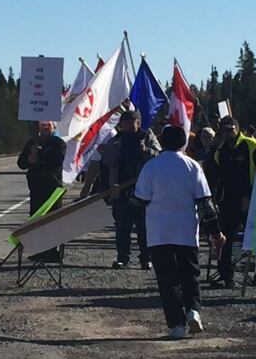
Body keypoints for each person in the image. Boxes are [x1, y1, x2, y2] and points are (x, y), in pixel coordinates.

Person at [134, 124, 225, 340]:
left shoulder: (151, 167)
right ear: (183, 142)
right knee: (190, 274)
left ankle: (176, 325)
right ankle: (193, 309)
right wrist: (215, 232)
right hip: (186, 230)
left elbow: (141, 199)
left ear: (162, 142)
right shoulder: (193, 166)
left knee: (167, 279)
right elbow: (205, 204)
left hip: (159, 232)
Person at [94, 109, 161, 269]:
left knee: (144, 227)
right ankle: (123, 257)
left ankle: (146, 258)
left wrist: (145, 150)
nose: (130, 125)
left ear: (138, 123)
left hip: (143, 189)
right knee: (122, 227)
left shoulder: (147, 137)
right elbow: (107, 161)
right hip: (121, 189)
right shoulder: (117, 140)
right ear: (121, 125)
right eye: (126, 123)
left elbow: (158, 157)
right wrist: (114, 150)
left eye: (133, 122)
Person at [208, 115, 256, 288]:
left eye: (230, 130)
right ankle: (226, 275)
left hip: (251, 199)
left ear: (237, 129)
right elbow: (214, 173)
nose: (227, 134)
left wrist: (250, 196)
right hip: (228, 201)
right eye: (223, 130)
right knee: (224, 239)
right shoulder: (221, 150)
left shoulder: (252, 146)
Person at [17, 120, 67, 261]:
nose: (45, 127)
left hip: (52, 189)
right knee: (36, 219)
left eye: (48, 125)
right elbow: (21, 163)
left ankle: (52, 252)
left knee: (52, 220)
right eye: (42, 125)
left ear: (54, 127)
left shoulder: (58, 143)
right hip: (35, 188)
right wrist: (29, 157)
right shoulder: (32, 142)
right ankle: (41, 251)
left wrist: (38, 157)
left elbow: (56, 161)